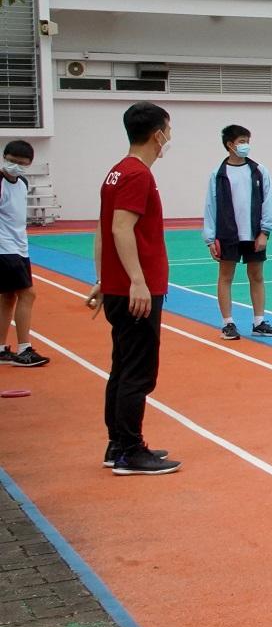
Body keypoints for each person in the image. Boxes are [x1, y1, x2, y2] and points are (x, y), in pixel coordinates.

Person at [86, 103, 180, 475]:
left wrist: (102, 278)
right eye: (168, 131)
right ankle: (129, 450)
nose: (169, 138)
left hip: (119, 286)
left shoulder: (115, 173)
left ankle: (118, 443)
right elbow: (119, 228)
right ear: (157, 134)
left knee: (123, 367)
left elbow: (102, 229)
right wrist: (136, 281)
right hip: (135, 290)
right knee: (138, 371)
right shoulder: (136, 175)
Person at [201, 124, 272, 340]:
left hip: (254, 234)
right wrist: (209, 238)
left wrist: (265, 231)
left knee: (257, 276)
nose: (245, 145)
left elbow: (269, 201)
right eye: (241, 141)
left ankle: (259, 321)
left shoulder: (258, 171)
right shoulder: (218, 175)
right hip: (227, 234)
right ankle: (228, 323)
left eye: (247, 141)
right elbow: (210, 206)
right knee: (226, 277)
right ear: (230, 145)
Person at [0, 140, 48, 368]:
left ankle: (1, 349)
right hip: (4, 248)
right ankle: (24, 348)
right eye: (11, 162)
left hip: (19, 246)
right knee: (28, 294)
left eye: (21, 164)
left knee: (8, 297)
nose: (15, 167)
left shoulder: (22, 182)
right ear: (4, 157)